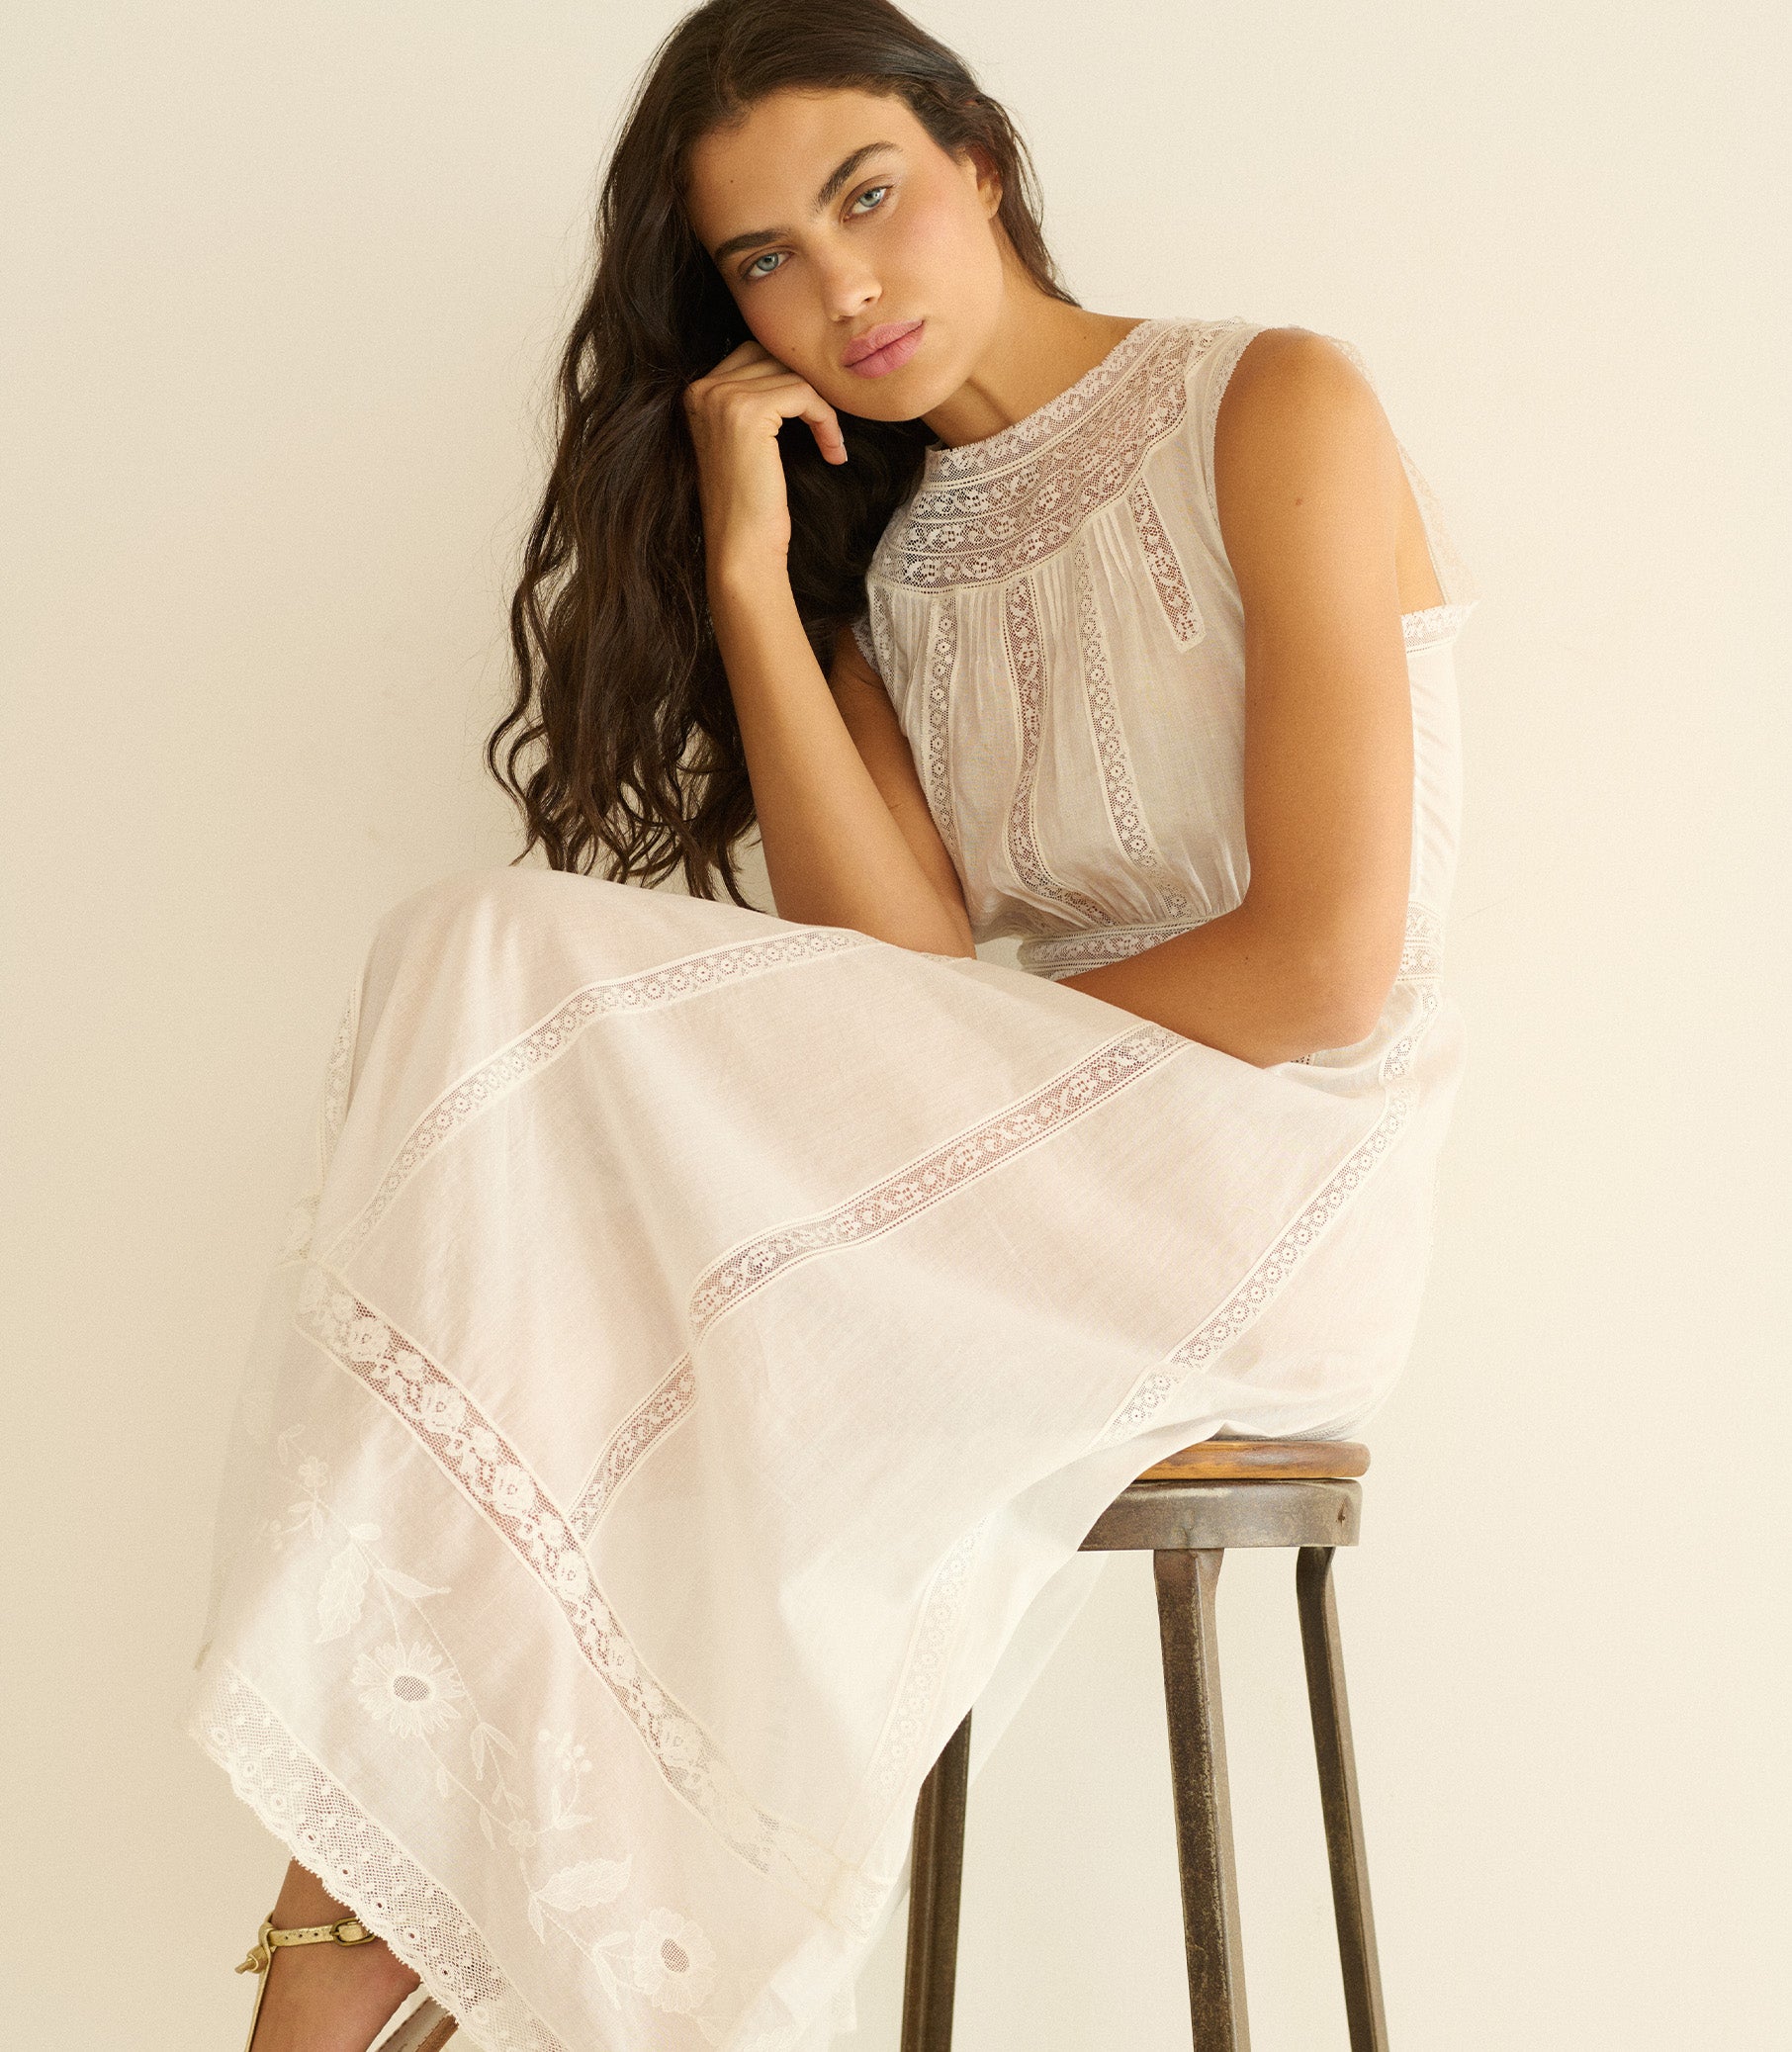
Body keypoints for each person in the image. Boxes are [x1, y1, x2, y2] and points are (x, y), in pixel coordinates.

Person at [192, 2, 1478, 2047]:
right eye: (763, 261)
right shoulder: (884, 569)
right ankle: (387, 1919)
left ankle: (352, 1965)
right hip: (1004, 1177)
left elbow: (1325, 957)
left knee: (490, 959)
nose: (838, 286)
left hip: (1265, 1192)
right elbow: (886, 987)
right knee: (560, 1245)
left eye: (864, 195)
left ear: (979, 154)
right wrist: (752, 565)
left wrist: (957, 1073)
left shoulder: (1271, 401)